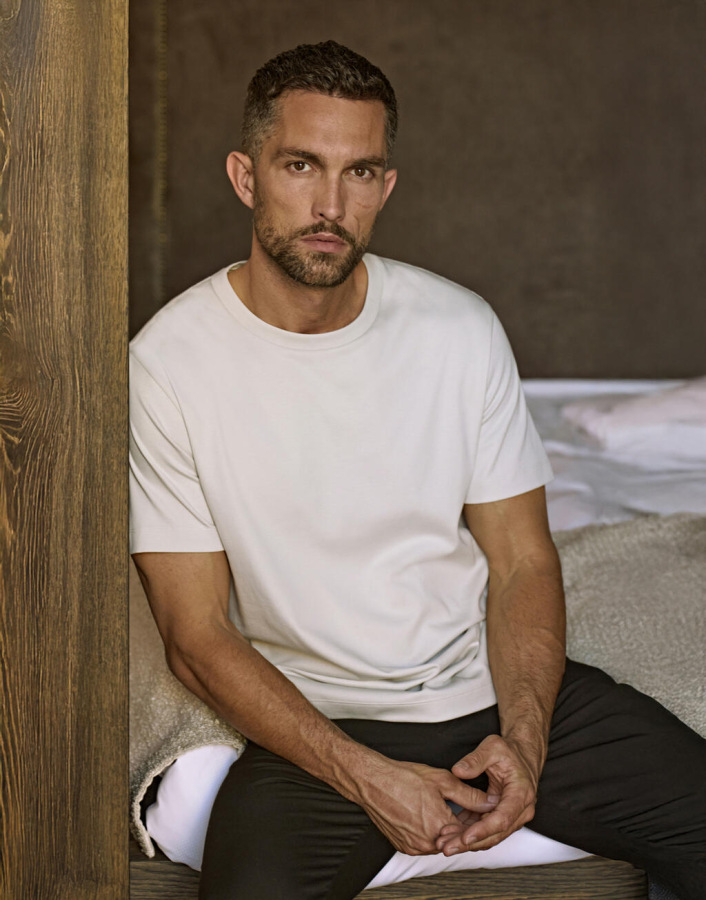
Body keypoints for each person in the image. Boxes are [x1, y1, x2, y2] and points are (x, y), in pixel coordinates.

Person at [129, 40, 705, 900]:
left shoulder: (459, 330)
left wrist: (526, 743)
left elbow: (523, 561)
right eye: (300, 166)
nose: (331, 204)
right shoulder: (167, 364)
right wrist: (367, 777)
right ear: (246, 178)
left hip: (481, 689)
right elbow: (196, 635)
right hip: (320, 722)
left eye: (359, 172)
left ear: (386, 186)